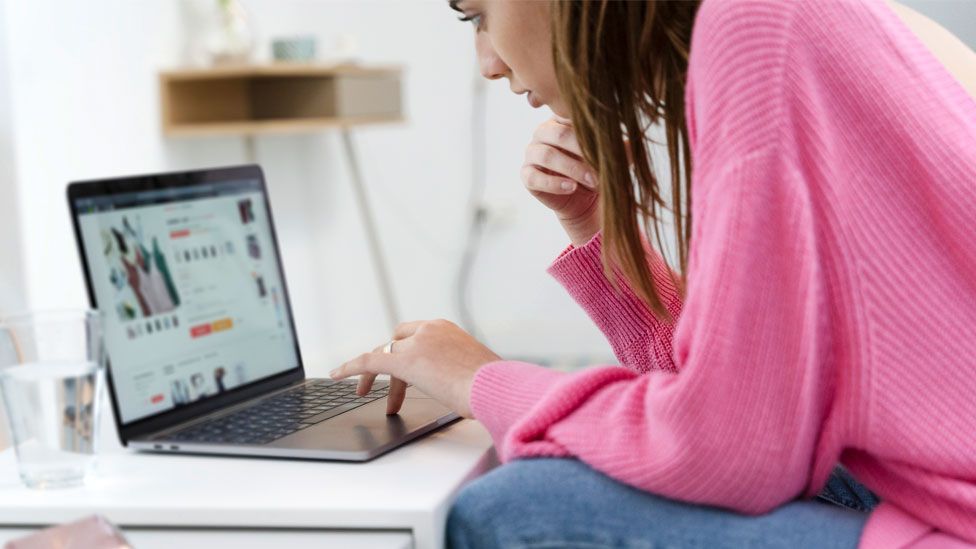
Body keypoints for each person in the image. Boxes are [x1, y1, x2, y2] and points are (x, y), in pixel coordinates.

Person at [330, 0, 976, 546]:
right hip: (928, 485)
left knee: (513, 507)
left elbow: (729, 450)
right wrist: (597, 230)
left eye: (477, 16)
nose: (490, 63)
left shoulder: (754, 27)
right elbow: (736, 408)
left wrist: (477, 379)